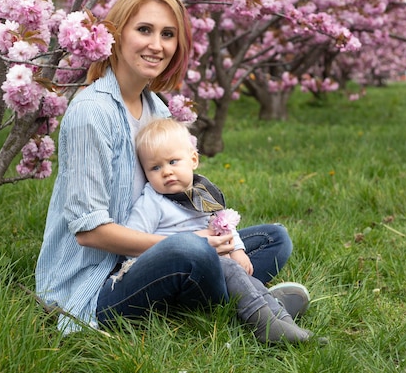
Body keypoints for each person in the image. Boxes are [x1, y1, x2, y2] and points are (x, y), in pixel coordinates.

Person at [35, 0, 305, 336]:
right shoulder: (92, 112)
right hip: (98, 281)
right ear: (115, 34)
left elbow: (185, 186)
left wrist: (227, 238)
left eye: (167, 34)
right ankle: (253, 306)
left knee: (274, 239)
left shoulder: (155, 107)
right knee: (190, 253)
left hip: (158, 250)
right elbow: (89, 232)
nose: (156, 45)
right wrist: (194, 245)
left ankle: (239, 298)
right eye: (144, 30)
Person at [122, 117, 318, 344]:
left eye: (173, 161)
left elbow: (222, 224)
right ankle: (264, 324)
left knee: (272, 239)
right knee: (228, 268)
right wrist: (185, 246)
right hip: (185, 278)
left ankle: (281, 319)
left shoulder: (202, 192)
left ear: (193, 159)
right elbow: (132, 246)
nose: (166, 172)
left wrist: (237, 249)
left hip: (217, 264)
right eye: (155, 167)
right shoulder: (152, 202)